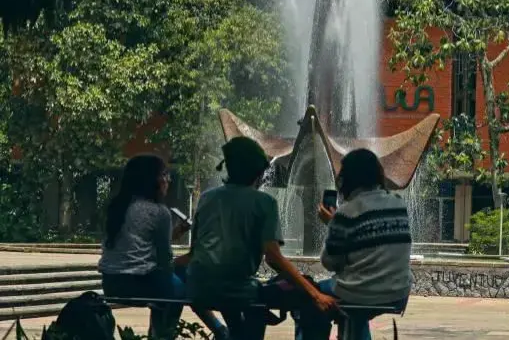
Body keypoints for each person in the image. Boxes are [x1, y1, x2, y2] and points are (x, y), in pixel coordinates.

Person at [186, 136, 338, 340]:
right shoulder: (264, 202)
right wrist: (314, 293)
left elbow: (194, 252)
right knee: (305, 288)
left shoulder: (207, 197)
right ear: (259, 172)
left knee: (258, 297)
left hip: (199, 288)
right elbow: (273, 257)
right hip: (240, 291)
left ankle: (226, 332)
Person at [98, 155, 228, 340]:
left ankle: (218, 330)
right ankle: (164, 336)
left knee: (180, 276)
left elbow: (135, 243)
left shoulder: (117, 207)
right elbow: (165, 261)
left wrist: (175, 234)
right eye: (164, 174)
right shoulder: (159, 212)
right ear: (151, 179)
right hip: (138, 283)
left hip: (111, 283)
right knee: (184, 284)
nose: (168, 179)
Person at [296, 148, 412, 340]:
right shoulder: (398, 203)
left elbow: (330, 262)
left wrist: (333, 224)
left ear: (346, 178)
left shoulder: (346, 213)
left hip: (360, 293)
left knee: (312, 298)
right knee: (355, 297)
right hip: (399, 291)